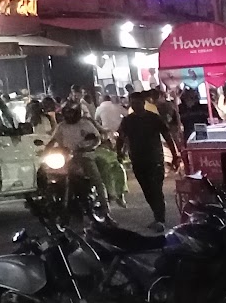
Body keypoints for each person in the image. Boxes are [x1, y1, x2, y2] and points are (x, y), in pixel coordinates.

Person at [117, 91, 181, 228]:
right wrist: (119, 153)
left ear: (143, 103)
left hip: (155, 158)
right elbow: (121, 138)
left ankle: (160, 219)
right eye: (132, 103)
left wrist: (175, 155)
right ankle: (157, 214)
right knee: (147, 190)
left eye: (137, 103)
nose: (135, 106)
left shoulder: (154, 118)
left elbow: (167, 136)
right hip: (137, 159)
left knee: (156, 188)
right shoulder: (127, 121)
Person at [51, 104, 109, 211]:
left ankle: (104, 207)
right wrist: (45, 152)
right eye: (67, 113)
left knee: (96, 179)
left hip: (84, 156)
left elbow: (97, 139)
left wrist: (88, 147)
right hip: (67, 158)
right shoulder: (61, 126)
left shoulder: (86, 124)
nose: (69, 115)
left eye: (71, 112)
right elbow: (53, 140)